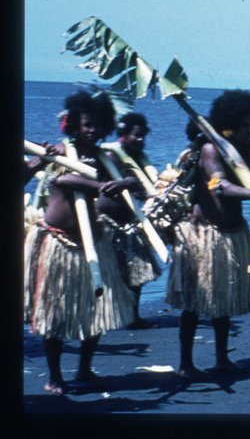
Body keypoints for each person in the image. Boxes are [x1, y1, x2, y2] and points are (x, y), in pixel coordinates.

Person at [166, 89, 250, 378]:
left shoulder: (243, 151)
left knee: (222, 301)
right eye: (245, 125)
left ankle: (222, 358)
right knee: (194, 303)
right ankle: (186, 364)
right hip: (204, 235)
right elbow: (218, 186)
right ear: (230, 124)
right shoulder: (211, 150)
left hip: (231, 233)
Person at [23, 90, 136, 395]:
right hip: (59, 244)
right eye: (87, 124)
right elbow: (57, 180)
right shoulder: (59, 152)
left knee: (95, 311)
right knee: (54, 313)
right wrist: (39, 162)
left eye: (97, 124)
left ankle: (84, 369)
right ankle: (55, 376)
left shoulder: (106, 158)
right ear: (74, 124)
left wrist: (125, 182)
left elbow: (132, 183)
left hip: (93, 244)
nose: (92, 130)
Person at [100, 112, 163, 328]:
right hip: (108, 221)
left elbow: (143, 189)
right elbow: (109, 186)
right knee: (111, 272)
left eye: (143, 135)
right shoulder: (109, 157)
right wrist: (127, 182)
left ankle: (132, 316)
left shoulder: (140, 160)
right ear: (123, 135)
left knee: (137, 271)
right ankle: (109, 315)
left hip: (132, 221)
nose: (141, 139)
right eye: (136, 135)